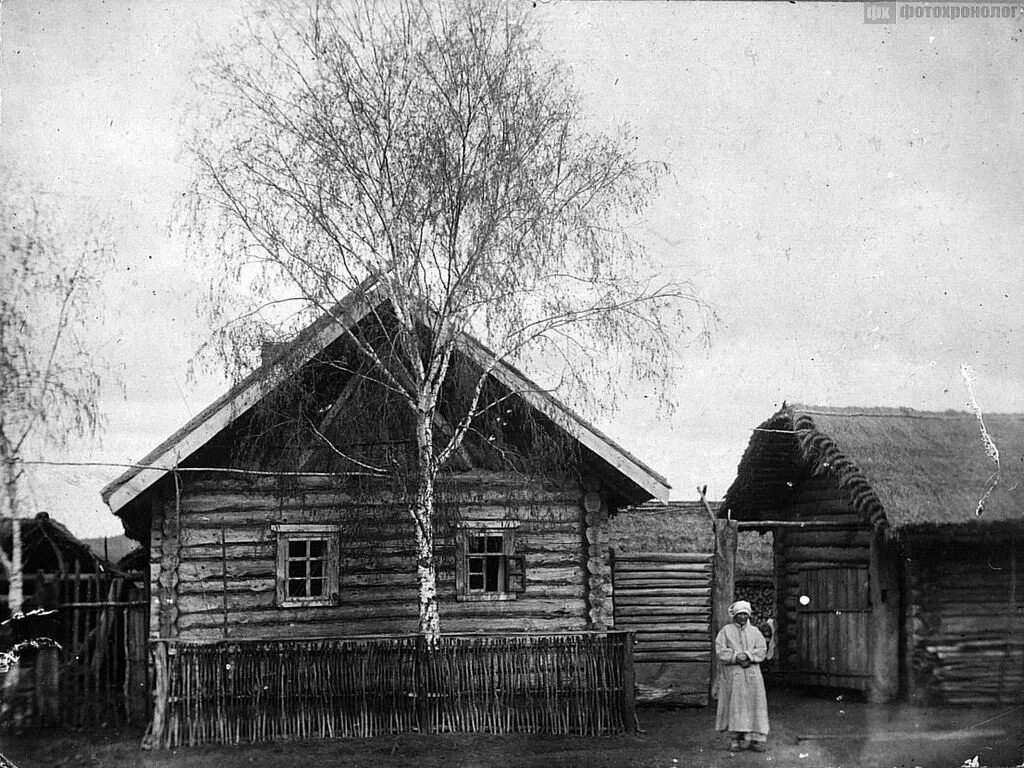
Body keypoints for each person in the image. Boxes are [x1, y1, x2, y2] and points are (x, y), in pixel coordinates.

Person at [715, 599, 770, 752]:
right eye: (739, 614)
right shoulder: (726, 631)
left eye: (745, 614)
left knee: (755, 706)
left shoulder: (755, 632)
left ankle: (756, 740)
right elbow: (720, 650)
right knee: (736, 707)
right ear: (734, 616)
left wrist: (748, 656)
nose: (742, 618)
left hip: (752, 674)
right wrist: (735, 657)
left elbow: (761, 650)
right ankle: (736, 740)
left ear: (749, 616)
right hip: (735, 675)